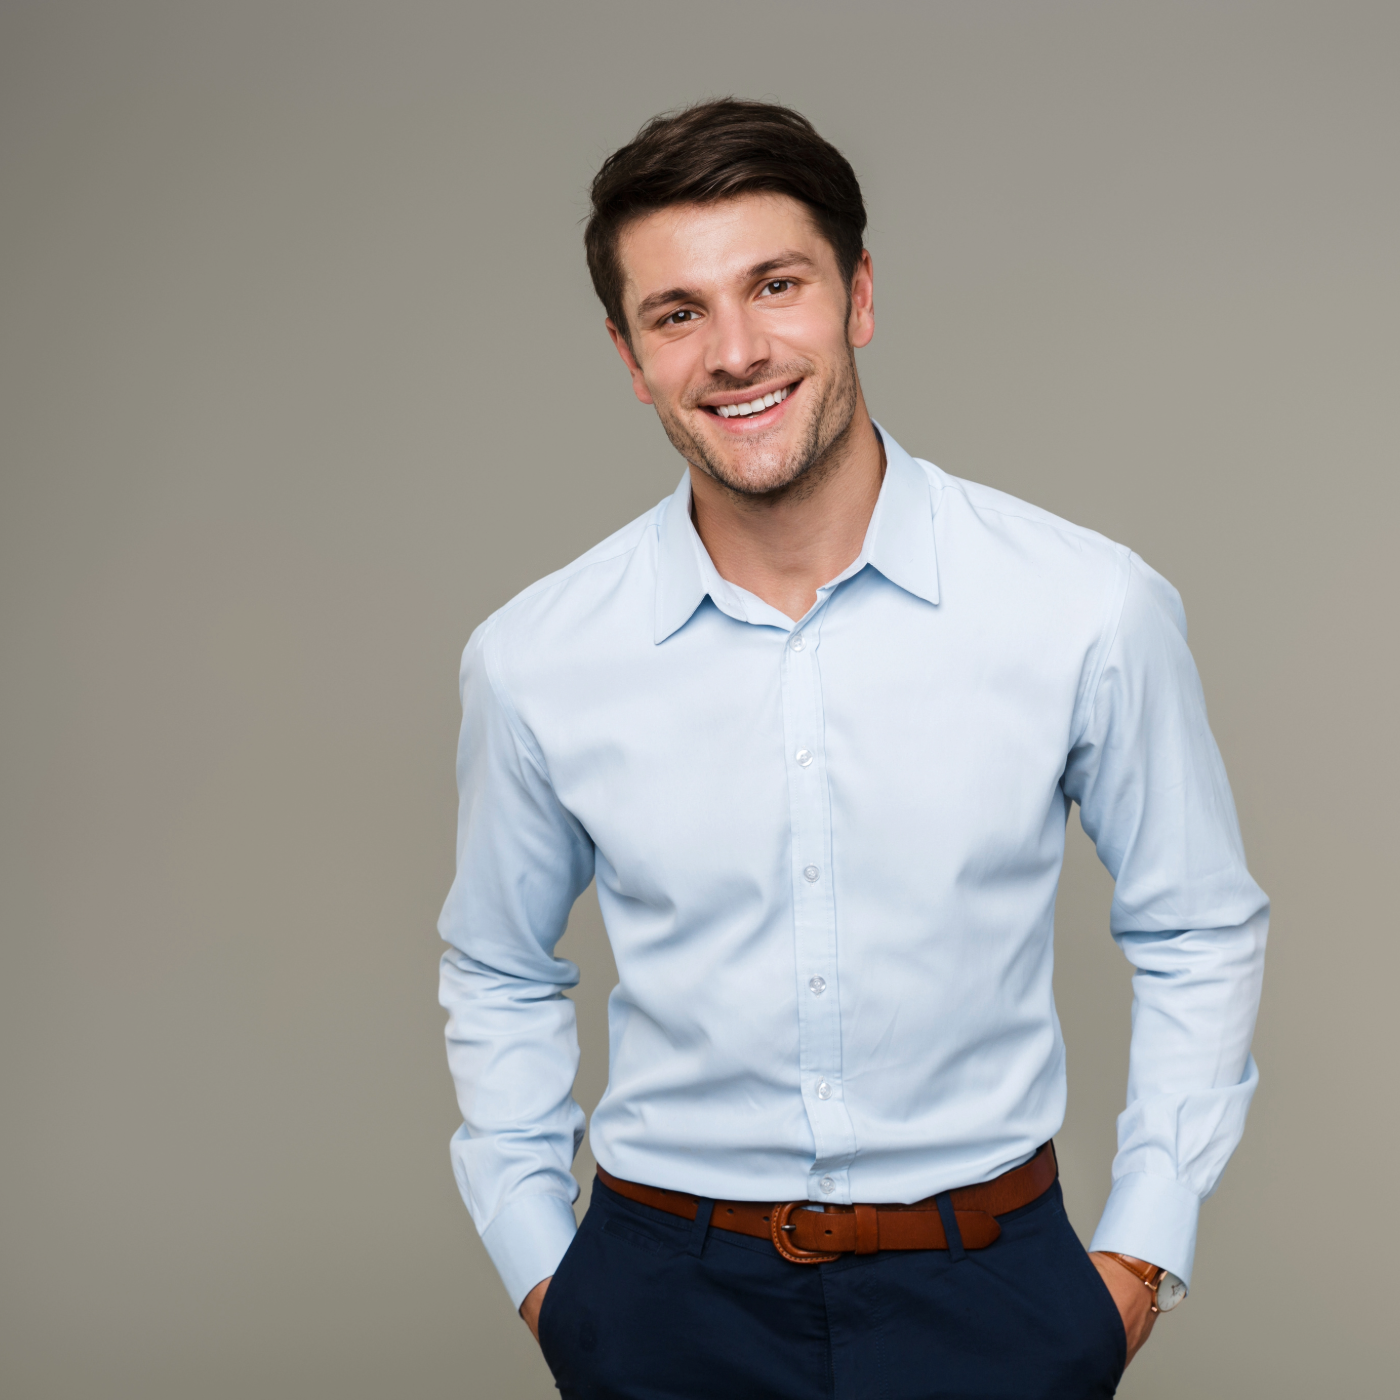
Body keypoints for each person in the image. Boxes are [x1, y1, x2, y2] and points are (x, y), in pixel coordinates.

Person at [438, 99, 1267, 1399]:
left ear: (859, 296)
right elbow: (495, 966)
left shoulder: (1085, 607)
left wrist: (1141, 1256)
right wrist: (551, 1273)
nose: (737, 350)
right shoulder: (535, 656)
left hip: (996, 1290)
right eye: (678, 312)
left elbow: (1199, 926)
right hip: (658, 1300)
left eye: (777, 285)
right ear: (629, 354)